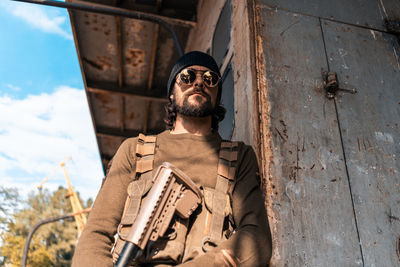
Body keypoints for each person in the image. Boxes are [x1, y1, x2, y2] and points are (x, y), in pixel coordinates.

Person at [72, 51, 272, 267]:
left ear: (217, 94)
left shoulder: (238, 157)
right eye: (187, 76)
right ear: (171, 93)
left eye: (210, 79)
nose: (198, 83)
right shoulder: (134, 151)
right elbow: (96, 234)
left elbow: (256, 237)